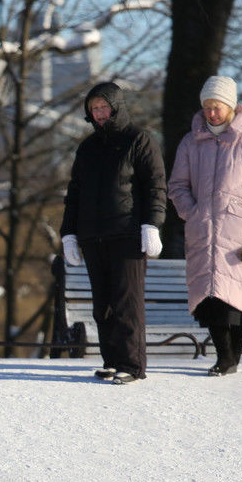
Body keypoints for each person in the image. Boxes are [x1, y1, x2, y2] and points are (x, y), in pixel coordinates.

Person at [168, 75, 242, 376]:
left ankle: (231, 359)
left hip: (238, 234)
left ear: (230, 107)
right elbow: (177, 185)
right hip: (202, 230)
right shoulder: (191, 143)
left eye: (217, 107)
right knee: (210, 297)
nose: (212, 113)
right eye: (207, 107)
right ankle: (225, 358)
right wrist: (192, 212)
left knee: (237, 300)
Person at [59, 81, 167, 385]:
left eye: (103, 107)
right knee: (102, 305)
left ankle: (132, 365)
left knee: (126, 302)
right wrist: (69, 233)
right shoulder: (87, 148)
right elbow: (74, 194)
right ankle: (112, 360)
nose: (99, 113)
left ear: (116, 106)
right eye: (93, 109)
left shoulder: (139, 140)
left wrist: (152, 225)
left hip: (127, 234)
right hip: (93, 236)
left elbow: (156, 186)